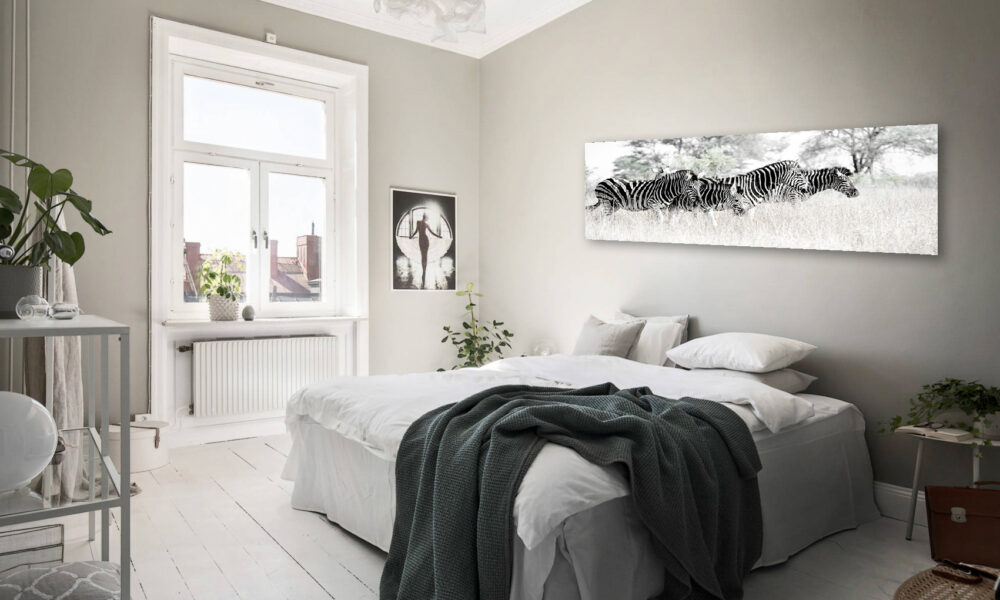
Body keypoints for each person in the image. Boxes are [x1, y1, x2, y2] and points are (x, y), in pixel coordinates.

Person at [409, 212, 442, 289]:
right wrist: (411, 236)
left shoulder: (425, 224)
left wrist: (438, 236)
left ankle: (424, 270)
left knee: (424, 256)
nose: (427, 219)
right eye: (427, 218)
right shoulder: (419, 222)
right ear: (425, 217)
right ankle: (424, 269)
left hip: (424, 240)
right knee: (423, 256)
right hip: (422, 240)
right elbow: (416, 231)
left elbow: (432, 232)